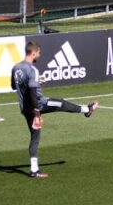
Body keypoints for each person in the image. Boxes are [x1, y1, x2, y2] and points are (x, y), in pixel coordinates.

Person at [11, 41, 99, 178]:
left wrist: (36, 80)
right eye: (38, 53)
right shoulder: (32, 69)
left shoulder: (16, 67)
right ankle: (86, 110)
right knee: (61, 103)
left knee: (35, 137)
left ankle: (34, 170)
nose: (39, 55)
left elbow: (13, 86)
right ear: (33, 53)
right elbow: (33, 93)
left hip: (24, 108)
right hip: (38, 106)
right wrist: (37, 113)